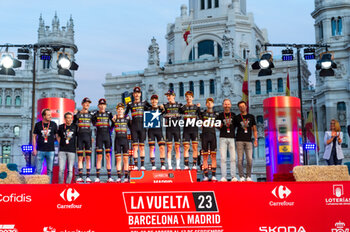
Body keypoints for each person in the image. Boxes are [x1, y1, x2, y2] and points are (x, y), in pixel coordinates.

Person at [124, 86, 151, 170]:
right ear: (133, 94)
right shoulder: (130, 104)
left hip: (142, 127)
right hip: (134, 128)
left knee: (142, 147)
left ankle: (142, 165)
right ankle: (135, 166)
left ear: (140, 94)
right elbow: (125, 115)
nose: (136, 95)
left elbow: (152, 110)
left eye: (138, 93)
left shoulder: (144, 103)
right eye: (135, 93)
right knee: (135, 147)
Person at [32, 108, 58, 184]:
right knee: (38, 169)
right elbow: (34, 136)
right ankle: (37, 185)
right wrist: (34, 149)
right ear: (44, 116)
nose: (51, 116)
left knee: (50, 170)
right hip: (40, 150)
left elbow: (57, 136)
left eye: (51, 115)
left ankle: (48, 185)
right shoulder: (38, 125)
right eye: (49, 115)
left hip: (51, 150)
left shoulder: (53, 124)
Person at [235, 101, 258, 182]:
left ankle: (248, 176)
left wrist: (256, 139)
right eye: (240, 107)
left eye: (243, 106)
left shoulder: (251, 117)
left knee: (249, 159)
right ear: (239, 108)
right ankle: (241, 176)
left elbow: (254, 129)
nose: (242, 108)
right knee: (240, 159)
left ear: (246, 106)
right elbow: (232, 128)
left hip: (248, 140)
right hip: (239, 140)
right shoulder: (237, 117)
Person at [92, 98, 114, 183]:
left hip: (107, 137)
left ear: (105, 106)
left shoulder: (109, 113)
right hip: (99, 137)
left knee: (108, 156)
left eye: (103, 105)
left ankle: (109, 177)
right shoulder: (95, 114)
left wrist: (110, 130)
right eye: (100, 105)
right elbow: (93, 123)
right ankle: (97, 177)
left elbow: (114, 123)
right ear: (98, 106)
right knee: (99, 157)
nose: (102, 106)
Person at [74, 97, 94, 183]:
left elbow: (97, 125)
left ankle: (88, 176)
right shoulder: (77, 114)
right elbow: (73, 125)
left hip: (88, 137)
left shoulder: (91, 114)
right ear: (82, 104)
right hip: (80, 137)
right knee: (80, 158)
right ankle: (80, 176)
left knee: (88, 157)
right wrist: (74, 114)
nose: (87, 105)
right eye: (86, 103)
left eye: (89, 103)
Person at [200, 98, 219, 181]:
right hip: (204, 135)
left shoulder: (216, 114)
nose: (209, 104)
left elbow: (219, 125)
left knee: (213, 156)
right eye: (208, 103)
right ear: (206, 104)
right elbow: (200, 123)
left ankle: (214, 175)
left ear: (213, 104)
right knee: (205, 156)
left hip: (213, 135)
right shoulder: (203, 113)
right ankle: (206, 175)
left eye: (211, 103)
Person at [218, 99, 237, 182]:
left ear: (231, 105)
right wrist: (219, 126)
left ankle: (233, 176)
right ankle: (223, 176)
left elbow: (236, 125)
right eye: (225, 104)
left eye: (228, 104)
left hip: (232, 137)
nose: (227, 105)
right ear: (223, 105)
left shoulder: (233, 115)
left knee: (233, 158)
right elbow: (216, 124)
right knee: (223, 158)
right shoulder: (220, 115)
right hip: (223, 137)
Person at [163, 90, 183, 170]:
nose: (168, 97)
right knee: (169, 148)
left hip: (177, 128)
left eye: (169, 96)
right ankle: (170, 166)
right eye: (167, 96)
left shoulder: (179, 105)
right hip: (169, 129)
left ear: (173, 96)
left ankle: (178, 166)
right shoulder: (165, 105)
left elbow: (183, 114)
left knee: (177, 147)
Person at [181, 91, 201, 170]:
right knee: (186, 147)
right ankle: (186, 165)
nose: (188, 98)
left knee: (195, 147)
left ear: (192, 98)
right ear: (185, 98)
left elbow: (200, 116)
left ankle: (194, 164)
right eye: (187, 97)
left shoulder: (196, 107)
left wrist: (199, 107)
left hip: (194, 130)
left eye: (190, 97)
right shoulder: (183, 108)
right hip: (186, 130)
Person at [113, 103, 131, 183]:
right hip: (117, 140)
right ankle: (119, 177)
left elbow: (131, 127)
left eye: (121, 109)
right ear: (117, 110)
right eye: (118, 109)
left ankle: (126, 177)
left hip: (125, 140)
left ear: (123, 110)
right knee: (118, 159)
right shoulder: (114, 118)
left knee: (126, 159)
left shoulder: (127, 118)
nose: (120, 111)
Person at [57, 112, 78, 184]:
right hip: (62, 150)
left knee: (70, 170)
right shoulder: (61, 127)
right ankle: (60, 184)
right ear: (65, 119)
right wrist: (59, 141)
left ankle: (68, 184)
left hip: (71, 150)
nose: (69, 119)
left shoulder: (75, 127)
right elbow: (57, 135)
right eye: (67, 118)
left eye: (70, 118)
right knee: (61, 169)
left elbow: (78, 136)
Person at [147, 95, 166, 170]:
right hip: (151, 130)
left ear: (157, 101)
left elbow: (165, 112)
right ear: (151, 101)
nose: (154, 101)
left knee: (162, 147)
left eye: (155, 100)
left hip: (159, 130)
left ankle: (163, 165)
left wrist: (163, 107)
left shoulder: (160, 108)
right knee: (152, 148)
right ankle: (153, 165)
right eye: (152, 100)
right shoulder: (148, 108)